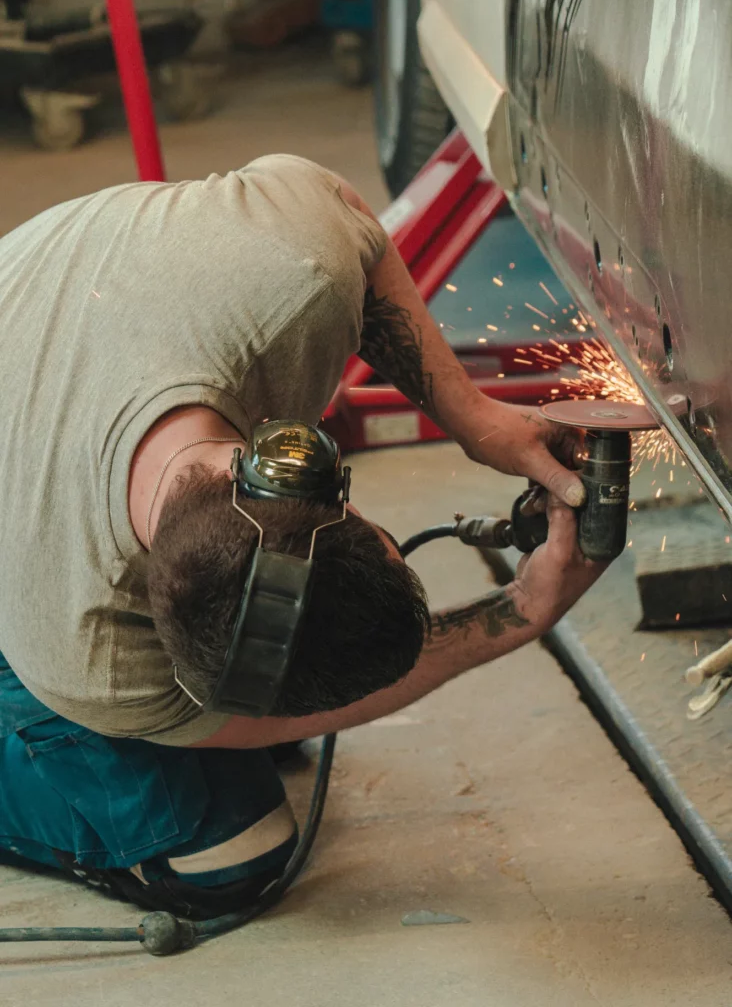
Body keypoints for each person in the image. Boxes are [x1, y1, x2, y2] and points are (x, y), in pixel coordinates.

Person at [0, 154, 603, 919]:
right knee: (230, 858)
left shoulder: (296, 272)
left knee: (284, 713)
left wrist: (477, 420)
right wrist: (517, 614)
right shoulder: (89, 655)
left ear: (299, 474)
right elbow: (238, 721)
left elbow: (359, 228)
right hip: (20, 580)